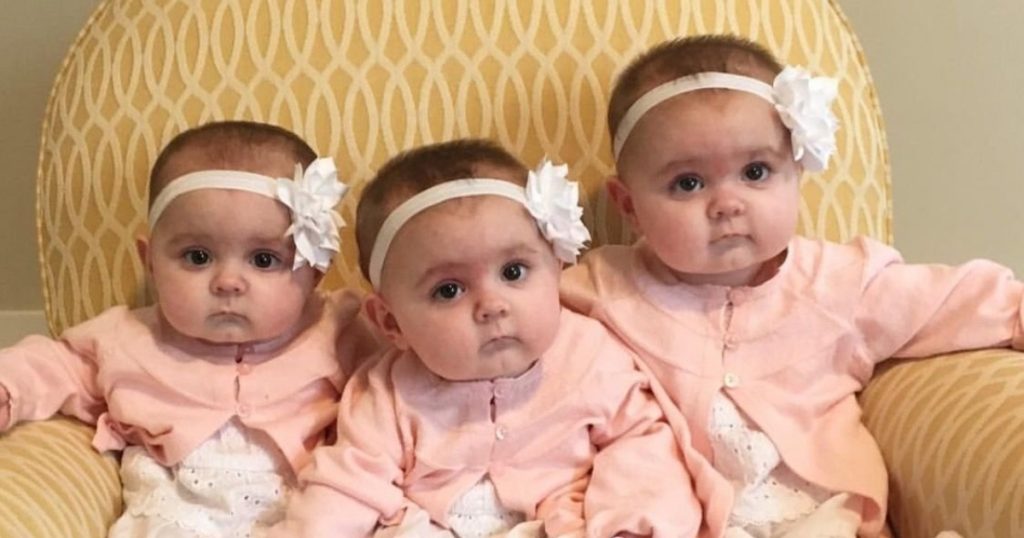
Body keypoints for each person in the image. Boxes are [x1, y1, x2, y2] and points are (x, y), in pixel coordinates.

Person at [561, 35, 1022, 538]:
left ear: (796, 171)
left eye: (755, 172)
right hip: (686, 520)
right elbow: (525, 329)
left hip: (824, 514)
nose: (727, 204)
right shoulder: (603, 289)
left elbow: (960, 299)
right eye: (688, 183)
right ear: (629, 206)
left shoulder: (841, 281)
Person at [271, 139, 703, 537]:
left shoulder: (590, 354)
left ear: (557, 268)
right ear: (391, 323)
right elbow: (347, 486)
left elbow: (643, 442)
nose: (491, 306)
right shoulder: (388, 393)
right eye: (449, 290)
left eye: (513, 272)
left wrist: (630, 523)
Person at [0, 120, 378, 537]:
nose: (228, 282)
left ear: (315, 273)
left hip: (305, 513)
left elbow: (404, 379)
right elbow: (51, 366)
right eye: (198, 257)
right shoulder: (126, 335)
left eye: (264, 260)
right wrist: (8, 388)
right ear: (150, 262)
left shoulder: (338, 327)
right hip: (174, 508)